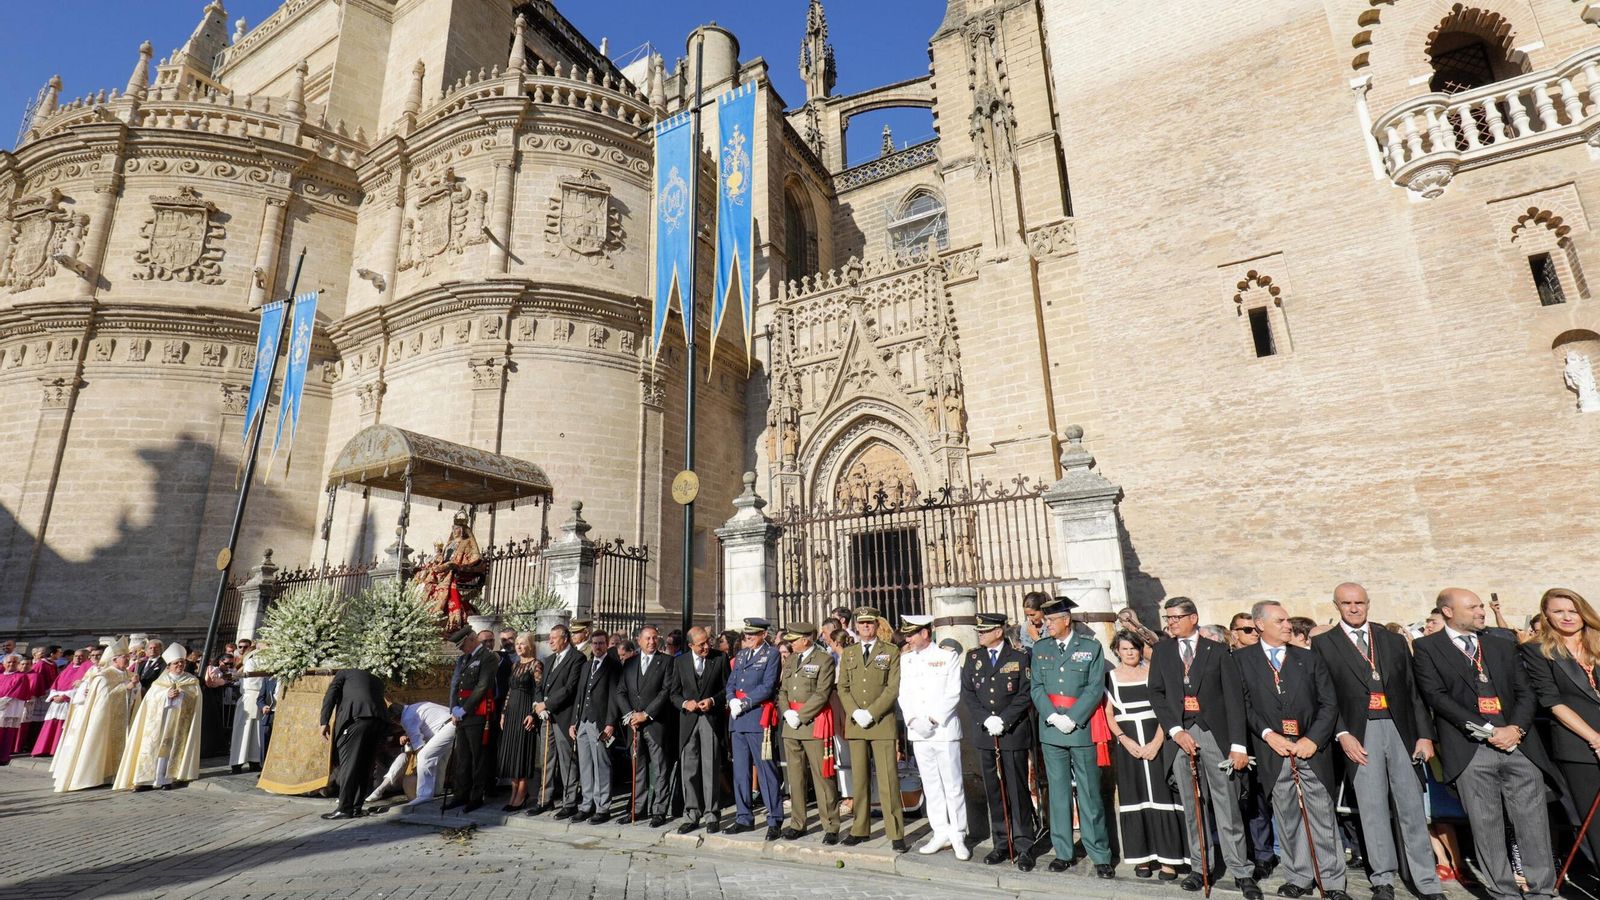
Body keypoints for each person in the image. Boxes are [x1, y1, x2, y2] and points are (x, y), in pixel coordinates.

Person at [1414, 587, 1560, 900]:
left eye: (1481, 606)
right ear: (1449, 611)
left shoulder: (1501, 644)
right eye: (1473, 607)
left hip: (1518, 745)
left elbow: (1526, 692)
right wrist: (1487, 730)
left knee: (1533, 825)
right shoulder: (1427, 647)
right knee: (1487, 827)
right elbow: (1437, 697)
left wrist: (1516, 729)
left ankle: (1541, 891)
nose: (1481, 611)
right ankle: (1503, 892)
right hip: (1471, 750)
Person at [1313, 583, 1445, 900]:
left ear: (1369, 603)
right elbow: (1324, 695)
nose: (1354, 608)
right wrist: (1342, 734)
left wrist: (1424, 734)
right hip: (1360, 732)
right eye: (1347, 603)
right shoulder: (1323, 644)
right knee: (1372, 809)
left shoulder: (1392, 640)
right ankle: (1383, 878)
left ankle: (1426, 881)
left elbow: (1413, 691)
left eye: (1360, 602)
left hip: (1401, 729)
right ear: (1336, 605)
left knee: (1412, 807)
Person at [1148, 597, 1261, 898]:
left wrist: (1237, 745)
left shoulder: (1219, 651)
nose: (1170, 622)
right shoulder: (1162, 651)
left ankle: (1241, 869)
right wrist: (1174, 731)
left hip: (1215, 735)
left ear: (1193, 618)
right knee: (1193, 806)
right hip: (1181, 735)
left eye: (1175, 617)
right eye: (1167, 617)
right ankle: (1201, 867)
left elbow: (1235, 700)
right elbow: (1156, 694)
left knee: (1227, 805)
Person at [1237, 601, 1350, 900]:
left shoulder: (1309, 658)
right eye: (1280, 620)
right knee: (1286, 815)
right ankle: (1299, 877)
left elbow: (1329, 703)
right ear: (1260, 624)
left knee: (1322, 815)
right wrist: (1268, 735)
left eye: (1288, 620)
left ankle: (1333, 882)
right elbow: (1243, 705)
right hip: (1272, 749)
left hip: (1312, 748)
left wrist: (1313, 739)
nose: (1288, 625)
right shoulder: (1241, 659)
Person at [1030, 595, 1114, 878]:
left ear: (1066, 620)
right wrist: (1053, 716)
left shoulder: (1090, 648)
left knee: (1090, 793)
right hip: (1052, 730)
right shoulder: (1041, 649)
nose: (1046, 626)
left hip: (1081, 728)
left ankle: (1099, 853)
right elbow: (1037, 687)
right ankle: (1063, 852)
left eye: (1051, 620)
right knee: (1058, 792)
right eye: (1046, 621)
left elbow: (1094, 687)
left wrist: (1073, 718)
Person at [1520, 587, 1600, 885]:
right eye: (1558, 611)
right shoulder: (1536, 650)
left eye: (1573, 610)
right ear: (1546, 615)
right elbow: (1551, 701)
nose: (1567, 617)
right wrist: (1595, 738)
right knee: (1595, 823)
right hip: (1578, 745)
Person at [960, 612, 1039, 870]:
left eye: (984, 631)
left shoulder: (1019, 658)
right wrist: (986, 719)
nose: (980, 634)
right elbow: (969, 693)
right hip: (986, 734)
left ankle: (1024, 844)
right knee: (994, 790)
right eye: (979, 631)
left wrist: (1004, 720)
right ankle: (1001, 843)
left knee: (1016, 790)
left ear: (999, 631)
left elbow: (1025, 693)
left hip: (1011, 733)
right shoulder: (974, 658)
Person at [1106, 630, 1186, 880]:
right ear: (1117, 651)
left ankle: (1169, 859)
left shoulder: (1154, 672)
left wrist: (1156, 742)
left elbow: (1166, 709)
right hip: (1129, 746)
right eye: (1125, 648)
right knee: (1135, 797)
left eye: (1134, 648)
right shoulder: (1110, 678)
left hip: (1157, 741)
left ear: (1140, 649)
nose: (1130, 653)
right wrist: (1125, 740)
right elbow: (1109, 715)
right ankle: (1142, 858)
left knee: (1162, 796)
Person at [896, 614, 969, 860]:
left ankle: (958, 834)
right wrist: (913, 720)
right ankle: (940, 832)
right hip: (919, 731)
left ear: (925, 633)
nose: (908, 639)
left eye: (912, 634)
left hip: (943, 730)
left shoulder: (947, 656)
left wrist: (933, 720)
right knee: (931, 785)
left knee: (953, 784)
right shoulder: (906, 661)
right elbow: (903, 694)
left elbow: (953, 694)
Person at [838, 606, 907, 851]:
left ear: (877, 626)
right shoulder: (849, 653)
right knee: (859, 779)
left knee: (888, 779)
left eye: (870, 623)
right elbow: (842, 686)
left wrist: (872, 712)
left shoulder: (890, 652)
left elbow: (893, 687)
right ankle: (860, 829)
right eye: (862, 623)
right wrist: (855, 711)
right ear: (856, 626)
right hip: (856, 723)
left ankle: (895, 832)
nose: (866, 627)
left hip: (881, 722)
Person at [778, 622, 839, 843]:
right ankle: (797, 823)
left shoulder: (824, 660)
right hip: (791, 725)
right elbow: (783, 690)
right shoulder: (792, 660)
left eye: (794, 640)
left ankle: (831, 825)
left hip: (812, 723)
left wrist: (801, 716)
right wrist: (786, 713)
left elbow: (822, 693)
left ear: (806, 639)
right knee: (795, 778)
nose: (791, 644)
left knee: (822, 778)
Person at [115, 643, 202, 792]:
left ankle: (166, 779)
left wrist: (182, 696)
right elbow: (150, 700)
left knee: (171, 748)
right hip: (158, 721)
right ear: (169, 665)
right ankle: (145, 780)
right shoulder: (160, 682)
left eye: (182, 662)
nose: (180, 665)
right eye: (176, 663)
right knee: (151, 748)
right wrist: (166, 696)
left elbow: (196, 700)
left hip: (179, 721)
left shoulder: (191, 681)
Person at [51, 639, 135, 792]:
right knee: (99, 744)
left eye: (128, 656)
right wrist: (126, 688)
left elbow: (135, 694)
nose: (128, 659)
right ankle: (96, 776)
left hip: (124, 718)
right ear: (114, 659)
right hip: (103, 719)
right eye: (124, 656)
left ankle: (114, 775)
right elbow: (102, 698)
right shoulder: (103, 676)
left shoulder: (130, 674)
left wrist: (134, 687)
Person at [726, 617, 783, 839]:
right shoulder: (741, 654)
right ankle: (743, 817)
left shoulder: (771, 654)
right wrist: (731, 699)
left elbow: (768, 686)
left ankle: (774, 818)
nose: (747, 638)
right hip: (738, 718)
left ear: (763, 635)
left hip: (756, 717)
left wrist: (745, 702)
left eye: (752, 634)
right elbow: (731, 682)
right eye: (746, 634)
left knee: (766, 769)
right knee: (740, 771)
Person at [671, 626, 727, 833]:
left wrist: (713, 700)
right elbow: (673, 693)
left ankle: (712, 814)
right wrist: (685, 703)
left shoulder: (719, 658)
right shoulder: (680, 662)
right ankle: (691, 813)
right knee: (689, 768)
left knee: (710, 767)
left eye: (707, 641)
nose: (706, 646)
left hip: (710, 719)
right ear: (690, 646)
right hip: (688, 720)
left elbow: (727, 688)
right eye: (701, 644)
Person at [616, 624, 673, 826]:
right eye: (647, 638)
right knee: (637, 769)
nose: (651, 642)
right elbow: (620, 691)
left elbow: (665, 691)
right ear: (638, 640)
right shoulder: (629, 663)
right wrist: (630, 715)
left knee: (659, 768)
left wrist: (646, 714)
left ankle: (659, 810)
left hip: (655, 724)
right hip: (634, 725)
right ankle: (637, 809)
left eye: (654, 638)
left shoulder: (666, 661)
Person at [316, 663, 386, 818]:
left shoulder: (344, 673)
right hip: (378, 721)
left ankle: (344, 808)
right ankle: (356, 807)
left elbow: (331, 694)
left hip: (355, 719)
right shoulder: (376, 679)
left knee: (350, 765)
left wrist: (324, 721)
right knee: (364, 765)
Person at [446, 617, 500, 812]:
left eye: (462, 645)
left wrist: (465, 709)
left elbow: (482, 686)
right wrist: (453, 709)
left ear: (471, 639)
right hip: (461, 714)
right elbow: (455, 685)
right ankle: (460, 794)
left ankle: (476, 796)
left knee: (479, 757)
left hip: (477, 714)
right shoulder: (464, 659)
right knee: (463, 757)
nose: (461, 650)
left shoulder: (488, 657)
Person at [534, 623, 584, 817]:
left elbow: (570, 688)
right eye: (550, 638)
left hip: (563, 716)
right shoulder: (548, 660)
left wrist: (547, 704)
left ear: (565, 638)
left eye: (554, 638)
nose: (550, 641)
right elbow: (540, 685)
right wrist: (538, 704)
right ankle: (544, 799)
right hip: (546, 717)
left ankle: (569, 801)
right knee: (546, 759)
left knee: (567, 761)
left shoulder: (576, 658)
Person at [367, 700, 455, 805]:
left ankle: (424, 795)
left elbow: (419, 746)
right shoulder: (413, 709)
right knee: (440, 760)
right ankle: (435, 791)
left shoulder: (407, 718)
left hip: (448, 726)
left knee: (424, 755)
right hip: (451, 724)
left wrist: (417, 762)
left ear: (395, 719)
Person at [412, 511, 488, 631]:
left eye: (457, 528)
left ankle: (440, 612)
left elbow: (472, 559)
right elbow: (443, 558)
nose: (454, 530)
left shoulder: (466, 542)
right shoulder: (450, 543)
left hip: (456, 571)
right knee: (425, 576)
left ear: (462, 529)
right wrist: (437, 559)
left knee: (442, 580)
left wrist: (454, 565)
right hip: (444, 569)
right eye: (453, 528)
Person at [571, 627, 618, 823]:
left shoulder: (613, 666)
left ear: (606, 645)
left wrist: (610, 723)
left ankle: (603, 807)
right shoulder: (586, 666)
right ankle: (586, 804)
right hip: (583, 721)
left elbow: (615, 697)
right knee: (585, 764)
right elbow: (580, 695)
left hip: (600, 722)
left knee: (601, 765)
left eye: (601, 643)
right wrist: (574, 721)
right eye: (595, 643)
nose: (597, 647)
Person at [498, 632, 540, 811]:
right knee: (511, 753)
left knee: (522, 754)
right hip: (512, 713)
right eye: (517, 644)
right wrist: (504, 713)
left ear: (530, 645)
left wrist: (533, 714)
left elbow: (538, 691)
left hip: (525, 711)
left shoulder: (536, 665)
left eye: (522, 644)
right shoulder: (515, 664)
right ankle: (514, 792)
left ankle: (522, 794)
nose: (519, 647)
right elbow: (509, 690)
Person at [32, 648, 92, 757]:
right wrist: (54, 695)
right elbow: (56, 682)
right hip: (56, 701)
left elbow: (83, 687)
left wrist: (64, 696)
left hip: (70, 702)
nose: (78, 658)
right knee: (51, 723)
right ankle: (43, 749)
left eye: (81, 656)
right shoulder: (67, 668)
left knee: (63, 725)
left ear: (87, 657)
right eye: (76, 656)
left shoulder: (88, 670)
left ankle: (56, 750)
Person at [0, 653, 46, 764]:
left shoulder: (21, 677)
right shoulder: (0, 675)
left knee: (6, 733)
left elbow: (16, 693)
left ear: (18, 664)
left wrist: (1, 702)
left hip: (9, 709)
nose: (11, 664)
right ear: (4, 664)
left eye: (14, 662)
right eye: (9, 662)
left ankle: (2, 757)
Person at [229, 647, 269, 774]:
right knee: (244, 731)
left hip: (258, 698)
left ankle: (253, 760)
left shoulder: (258, 661)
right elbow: (252, 680)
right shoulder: (253, 661)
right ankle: (239, 762)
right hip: (250, 698)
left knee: (254, 732)